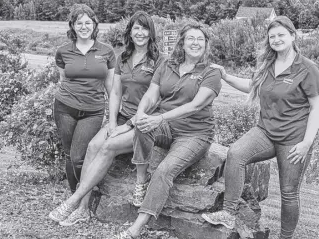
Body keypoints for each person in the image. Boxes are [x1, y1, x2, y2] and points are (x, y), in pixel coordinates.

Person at [201, 16, 319, 239]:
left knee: (288, 193)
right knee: (236, 153)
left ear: (293, 36)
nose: (276, 39)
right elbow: (251, 86)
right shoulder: (268, 64)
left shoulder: (307, 69)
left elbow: (317, 107)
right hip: (265, 131)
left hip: (294, 139)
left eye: (281, 35)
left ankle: (285, 237)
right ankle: (228, 213)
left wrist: (306, 143)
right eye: (272, 36)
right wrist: (226, 76)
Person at [48, 11, 163, 226]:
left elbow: (155, 98)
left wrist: (127, 125)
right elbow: (116, 93)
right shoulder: (124, 57)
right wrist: (112, 123)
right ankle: (83, 209)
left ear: (151, 32)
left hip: (145, 121)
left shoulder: (159, 60)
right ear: (130, 32)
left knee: (108, 146)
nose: (140, 33)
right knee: (92, 147)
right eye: (136, 28)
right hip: (122, 117)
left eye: (144, 28)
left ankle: (73, 200)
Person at [117, 23, 222, 239]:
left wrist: (159, 118)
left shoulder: (211, 72)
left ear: (206, 44)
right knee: (143, 126)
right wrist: (141, 114)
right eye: (190, 38)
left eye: (200, 39)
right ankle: (140, 182)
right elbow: (151, 94)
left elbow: (195, 105)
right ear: (182, 43)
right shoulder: (168, 66)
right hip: (166, 127)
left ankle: (136, 228)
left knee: (164, 171)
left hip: (195, 134)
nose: (195, 43)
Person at [52, 4, 115, 194]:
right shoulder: (63, 51)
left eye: (88, 22)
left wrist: (114, 116)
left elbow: (111, 87)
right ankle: (75, 196)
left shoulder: (107, 51)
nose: (84, 27)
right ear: (72, 26)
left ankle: (81, 196)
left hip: (93, 111)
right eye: (79, 23)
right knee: (68, 154)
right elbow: (63, 79)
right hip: (64, 108)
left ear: (94, 24)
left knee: (78, 156)